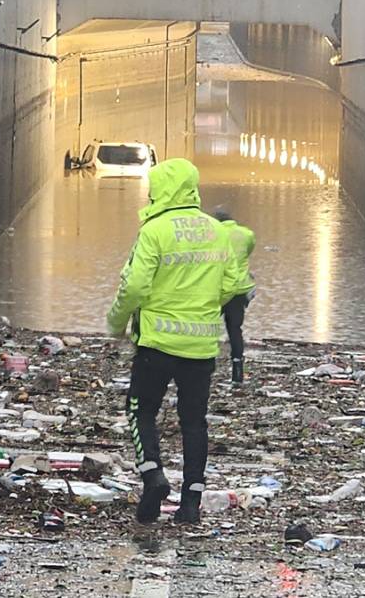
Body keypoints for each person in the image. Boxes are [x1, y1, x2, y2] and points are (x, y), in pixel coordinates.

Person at [106, 159, 245, 524]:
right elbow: (235, 284)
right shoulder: (217, 231)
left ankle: (153, 475)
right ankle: (191, 504)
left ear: (162, 191)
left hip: (156, 345)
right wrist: (205, 307)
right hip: (200, 348)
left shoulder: (154, 230)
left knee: (141, 410)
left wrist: (117, 322)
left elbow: (134, 285)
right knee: (194, 422)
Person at [212, 209, 256, 383]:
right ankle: (237, 370)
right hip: (240, 289)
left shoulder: (212, 234)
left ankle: (204, 366)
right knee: (235, 329)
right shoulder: (247, 234)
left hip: (217, 289)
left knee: (207, 328)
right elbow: (247, 252)